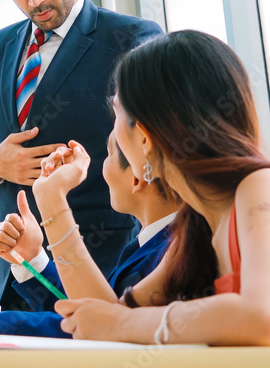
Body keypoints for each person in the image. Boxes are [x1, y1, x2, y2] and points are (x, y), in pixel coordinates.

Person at [0, 0, 163, 312]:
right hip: (13, 272)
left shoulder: (131, 39)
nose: (33, 0)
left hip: (102, 265)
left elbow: (156, 150)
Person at [55, 31, 270, 346]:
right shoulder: (194, 225)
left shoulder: (258, 186)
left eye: (116, 114)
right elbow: (107, 316)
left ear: (144, 137)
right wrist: (52, 201)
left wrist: (124, 322)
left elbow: (261, 318)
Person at [0, 132, 180, 348]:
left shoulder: (172, 255)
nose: (99, 168)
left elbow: (102, 331)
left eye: (107, 153)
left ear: (137, 176)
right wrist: (33, 259)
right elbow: (86, 317)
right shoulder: (149, 246)